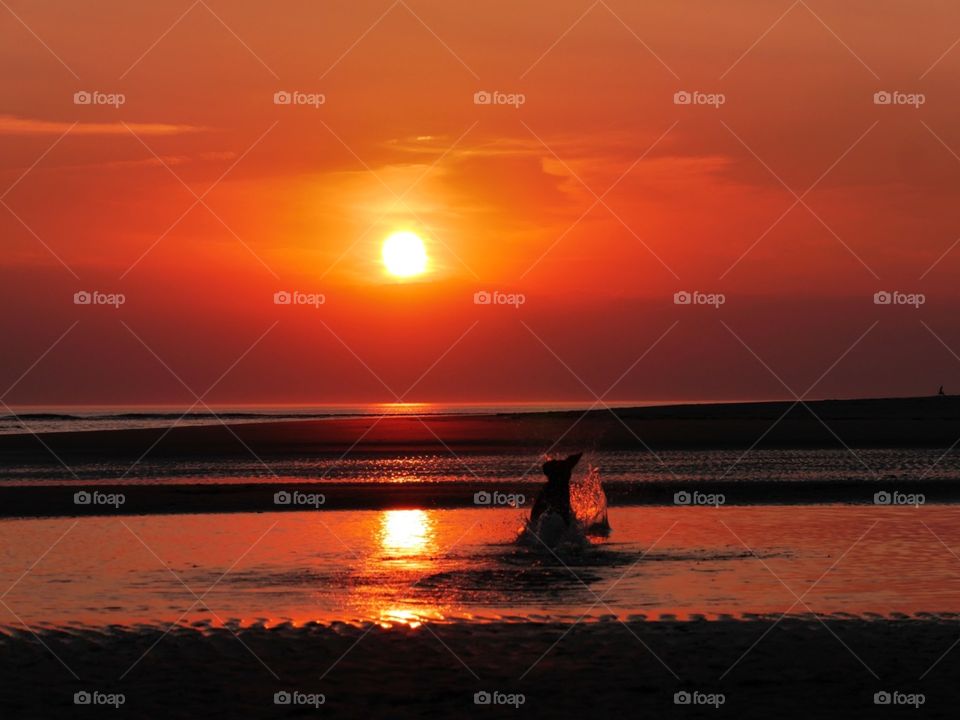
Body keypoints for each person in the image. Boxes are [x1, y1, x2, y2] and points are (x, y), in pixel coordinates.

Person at [530, 452, 582, 526]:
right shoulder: (564, 467)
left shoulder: (563, 467)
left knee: (562, 515)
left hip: (557, 492)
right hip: (554, 492)